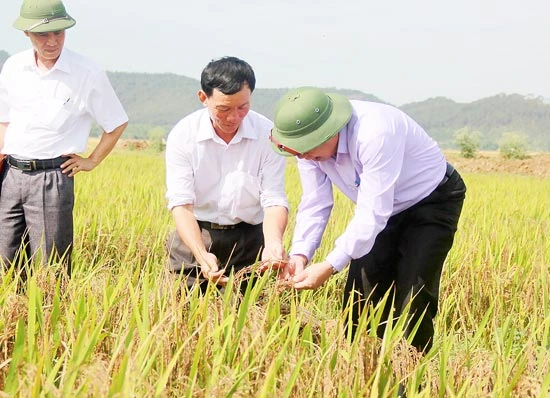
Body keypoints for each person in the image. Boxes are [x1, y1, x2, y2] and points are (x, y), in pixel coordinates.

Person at [270, 86, 466, 352]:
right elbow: (316, 202)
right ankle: (359, 372)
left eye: (307, 150)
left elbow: (373, 212)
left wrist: (329, 266)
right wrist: (300, 255)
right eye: (298, 152)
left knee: (413, 297)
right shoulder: (306, 149)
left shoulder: (374, 133)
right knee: (359, 296)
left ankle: (410, 378)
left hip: (430, 200)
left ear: (330, 131)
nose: (303, 157)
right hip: (383, 206)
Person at [0, 0, 128, 275]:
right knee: (5, 262)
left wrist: (92, 160)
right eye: (43, 34)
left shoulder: (87, 72)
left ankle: (49, 316)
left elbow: (116, 122)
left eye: (59, 32)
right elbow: (4, 120)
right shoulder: (13, 66)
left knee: (51, 268)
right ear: (27, 34)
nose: (52, 41)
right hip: (10, 174)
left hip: (51, 178)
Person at [165, 56, 289, 292]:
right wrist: (201, 254)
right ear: (203, 98)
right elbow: (181, 204)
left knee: (245, 315)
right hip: (196, 235)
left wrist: (273, 244)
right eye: (223, 109)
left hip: (249, 240)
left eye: (243, 107)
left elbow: (273, 199)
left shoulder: (267, 135)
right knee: (181, 311)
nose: (234, 118)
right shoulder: (183, 135)